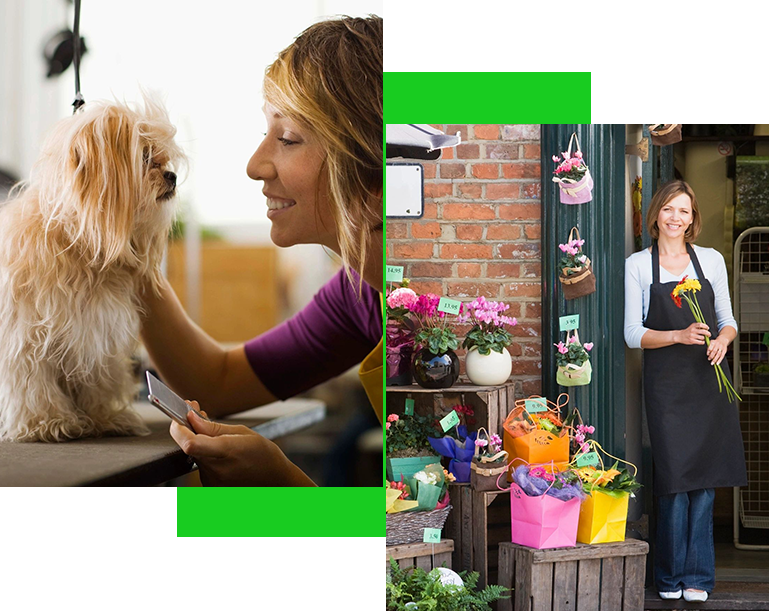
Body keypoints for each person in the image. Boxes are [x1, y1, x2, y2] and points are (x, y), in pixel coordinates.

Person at [139, 16, 383, 486]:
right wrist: (132, 256)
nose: (254, 165)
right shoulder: (359, 294)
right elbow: (217, 382)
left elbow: (422, 546)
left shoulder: (458, 311)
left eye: (288, 138)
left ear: (370, 165)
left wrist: (280, 480)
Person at [624, 180, 747, 603]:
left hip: (710, 380)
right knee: (674, 482)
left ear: (693, 219)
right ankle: (668, 575)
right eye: (669, 210)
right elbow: (631, 334)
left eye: (685, 211)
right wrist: (677, 334)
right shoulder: (639, 264)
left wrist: (722, 340)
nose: (676, 218)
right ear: (656, 214)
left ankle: (698, 576)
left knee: (706, 482)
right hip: (667, 389)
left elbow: (728, 319)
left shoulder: (710, 260)